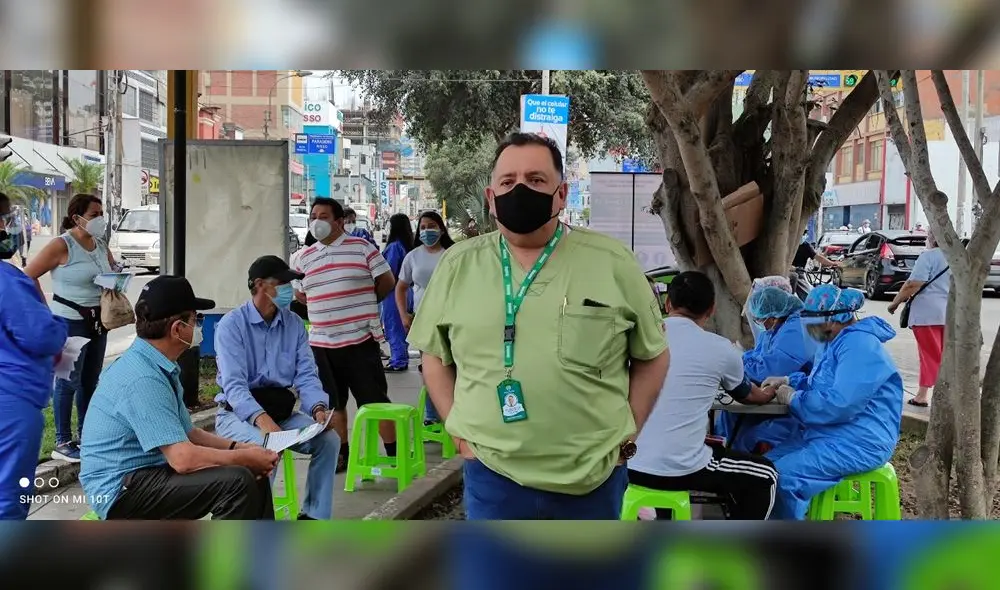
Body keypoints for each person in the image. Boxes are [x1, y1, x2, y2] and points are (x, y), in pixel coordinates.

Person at [408, 132, 670, 520]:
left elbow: (653, 356)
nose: (520, 191)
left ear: (561, 194)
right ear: (490, 197)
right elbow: (433, 355)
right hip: (492, 473)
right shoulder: (458, 265)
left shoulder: (613, 262)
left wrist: (627, 436)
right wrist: (458, 432)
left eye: (535, 180)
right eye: (508, 182)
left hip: (591, 477)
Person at [79, 275, 281, 520]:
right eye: (197, 320)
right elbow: (183, 459)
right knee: (237, 481)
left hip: (145, 474)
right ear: (177, 329)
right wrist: (242, 458)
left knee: (251, 475)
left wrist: (239, 448)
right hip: (120, 490)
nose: (198, 328)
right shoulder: (143, 378)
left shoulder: (159, 365)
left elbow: (188, 433)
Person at [628, 272, 778, 520]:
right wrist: (770, 391)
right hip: (683, 469)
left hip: (628, 463)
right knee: (766, 475)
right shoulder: (720, 348)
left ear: (667, 304)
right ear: (711, 309)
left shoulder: (639, 338)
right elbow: (747, 395)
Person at [213, 255, 341, 520]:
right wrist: (264, 422)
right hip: (237, 415)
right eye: (281, 283)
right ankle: (259, 520)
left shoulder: (293, 323)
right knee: (265, 448)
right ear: (259, 285)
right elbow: (234, 387)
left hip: (280, 414)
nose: (287, 290)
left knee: (328, 440)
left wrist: (318, 408)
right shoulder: (231, 325)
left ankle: (314, 516)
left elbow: (306, 374)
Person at [764, 284, 903, 520]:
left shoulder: (859, 345)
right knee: (763, 469)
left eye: (812, 319)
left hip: (860, 441)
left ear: (833, 319)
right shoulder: (833, 343)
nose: (808, 326)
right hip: (832, 434)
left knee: (784, 477)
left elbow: (840, 404)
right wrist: (790, 381)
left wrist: (794, 398)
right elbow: (820, 382)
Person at [294, 197, 397, 472]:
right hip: (322, 345)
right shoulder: (303, 257)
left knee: (374, 401)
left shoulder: (362, 248)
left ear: (339, 221)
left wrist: (361, 302)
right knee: (332, 403)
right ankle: (342, 454)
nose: (317, 221)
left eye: (323, 216)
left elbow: (387, 281)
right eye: (313, 216)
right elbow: (300, 295)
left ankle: (394, 452)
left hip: (359, 340)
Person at [25, 193, 118, 463]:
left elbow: (110, 269)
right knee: (67, 381)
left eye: (101, 213)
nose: (100, 219)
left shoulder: (100, 243)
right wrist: (45, 310)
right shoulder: (61, 245)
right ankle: (62, 440)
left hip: (98, 320)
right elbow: (29, 275)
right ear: (77, 217)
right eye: (94, 215)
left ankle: (87, 435)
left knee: (90, 380)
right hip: (68, 321)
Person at [0, 193, 69, 520]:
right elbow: (41, 335)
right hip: (10, 404)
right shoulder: (6, 280)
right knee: (8, 499)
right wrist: (58, 324)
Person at [716, 286, 816, 454]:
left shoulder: (796, 329)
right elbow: (757, 356)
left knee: (753, 438)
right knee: (729, 417)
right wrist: (738, 360)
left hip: (795, 407)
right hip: (775, 396)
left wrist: (735, 366)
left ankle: (743, 467)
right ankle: (726, 458)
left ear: (774, 315)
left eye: (761, 318)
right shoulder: (772, 330)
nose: (759, 322)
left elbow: (768, 369)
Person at [396, 210, 454, 424]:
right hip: (424, 319)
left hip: (452, 318)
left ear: (441, 228)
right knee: (431, 367)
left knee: (454, 366)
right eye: (423, 227)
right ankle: (432, 415)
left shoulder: (453, 253)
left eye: (431, 226)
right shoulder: (413, 256)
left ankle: (456, 414)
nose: (427, 231)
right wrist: (404, 315)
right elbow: (401, 287)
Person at [888, 231, 950, 407]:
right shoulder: (957, 257)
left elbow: (913, 284)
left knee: (929, 355)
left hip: (926, 314)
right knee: (944, 355)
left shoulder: (928, 257)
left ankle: (924, 395)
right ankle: (938, 394)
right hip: (950, 313)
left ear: (932, 238)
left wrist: (895, 302)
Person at [381, 213, 415, 372]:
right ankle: (401, 357)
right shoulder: (406, 246)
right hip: (406, 292)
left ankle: (398, 361)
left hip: (393, 293)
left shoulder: (394, 247)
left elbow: (389, 271)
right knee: (402, 326)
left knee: (393, 326)